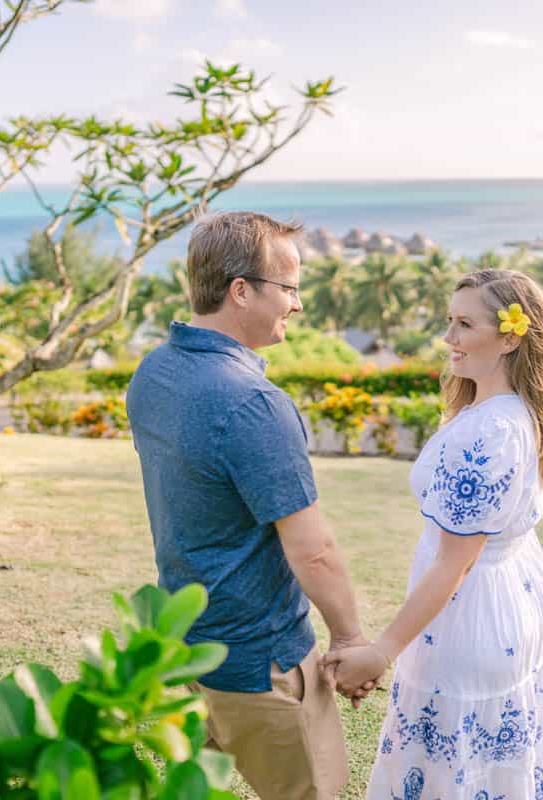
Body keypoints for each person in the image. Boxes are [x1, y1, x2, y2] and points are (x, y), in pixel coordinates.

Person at [126, 211, 374, 800]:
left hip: (185, 655)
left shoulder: (154, 372)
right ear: (241, 290)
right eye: (289, 287)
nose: (298, 303)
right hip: (260, 663)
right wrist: (348, 641)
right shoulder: (254, 404)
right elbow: (313, 552)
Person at [324, 269, 543, 799]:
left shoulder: (487, 432)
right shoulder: (517, 414)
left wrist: (382, 651)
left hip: (471, 619)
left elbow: (454, 562)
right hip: (511, 605)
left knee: (450, 773)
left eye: (464, 324)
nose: (449, 338)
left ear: (509, 337)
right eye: (449, 322)